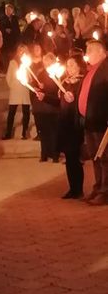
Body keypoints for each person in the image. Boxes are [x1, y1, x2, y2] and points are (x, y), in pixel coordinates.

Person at [76, 40, 108, 205]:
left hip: (102, 122)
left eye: (90, 50)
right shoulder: (91, 70)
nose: (86, 54)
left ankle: (105, 191)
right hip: (89, 121)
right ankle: (98, 187)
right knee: (95, 157)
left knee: (105, 158)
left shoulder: (106, 69)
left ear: (101, 52)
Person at [58, 54, 86, 198]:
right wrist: (44, 97)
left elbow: (83, 102)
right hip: (65, 124)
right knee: (69, 158)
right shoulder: (64, 83)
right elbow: (59, 102)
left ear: (79, 66)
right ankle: (72, 188)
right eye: (67, 65)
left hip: (75, 125)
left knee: (75, 157)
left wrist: (73, 99)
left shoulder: (82, 83)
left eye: (72, 65)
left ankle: (78, 189)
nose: (68, 68)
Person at [33, 52, 61, 162]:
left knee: (53, 132)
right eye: (44, 62)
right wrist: (37, 87)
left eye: (48, 62)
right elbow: (34, 84)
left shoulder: (57, 74)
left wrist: (45, 89)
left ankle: (55, 154)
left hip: (52, 107)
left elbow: (57, 90)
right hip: (41, 108)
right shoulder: (41, 73)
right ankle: (44, 154)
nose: (46, 64)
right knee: (43, 132)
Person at [2, 45, 31, 140]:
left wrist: (28, 81)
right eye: (20, 51)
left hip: (24, 89)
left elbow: (30, 76)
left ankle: (24, 132)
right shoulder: (12, 62)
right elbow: (8, 76)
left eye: (23, 51)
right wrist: (12, 86)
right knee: (12, 112)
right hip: (15, 90)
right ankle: (8, 133)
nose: (21, 53)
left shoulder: (27, 63)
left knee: (26, 111)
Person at [0, 3, 21, 72]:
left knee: (12, 56)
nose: (7, 11)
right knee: (5, 56)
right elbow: (0, 28)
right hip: (5, 41)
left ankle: (12, 70)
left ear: (12, 10)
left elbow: (17, 29)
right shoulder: (2, 18)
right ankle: (5, 69)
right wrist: (5, 30)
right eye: (6, 9)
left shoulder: (15, 19)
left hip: (13, 41)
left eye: (9, 9)